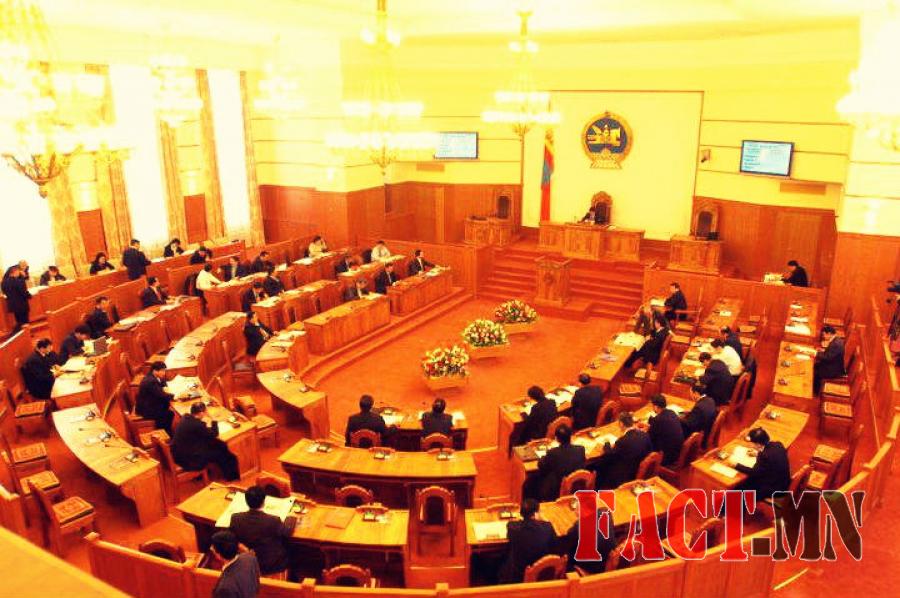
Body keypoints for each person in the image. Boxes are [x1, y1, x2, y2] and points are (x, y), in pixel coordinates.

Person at [229, 486, 296, 577]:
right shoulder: (273, 520)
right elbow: (287, 532)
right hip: (270, 565)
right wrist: (291, 518)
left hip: (247, 561)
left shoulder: (235, 518)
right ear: (264, 501)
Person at [172, 401, 240, 480]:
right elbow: (214, 434)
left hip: (179, 454)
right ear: (201, 413)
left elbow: (203, 431)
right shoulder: (197, 425)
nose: (206, 414)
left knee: (217, 444)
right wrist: (213, 419)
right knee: (221, 449)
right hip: (190, 460)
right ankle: (231, 476)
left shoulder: (186, 417)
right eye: (205, 412)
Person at [499, 498, 556, 584]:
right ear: (536, 513)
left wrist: (519, 520)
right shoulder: (547, 527)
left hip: (518, 574)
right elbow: (554, 545)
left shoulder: (513, 527)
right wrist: (542, 520)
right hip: (542, 573)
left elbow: (510, 525)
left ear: (521, 513)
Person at [592, 412, 652, 489]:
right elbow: (649, 451)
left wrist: (607, 443)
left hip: (623, 475)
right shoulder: (645, 435)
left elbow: (609, 455)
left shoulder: (623, 441)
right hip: (637, 468)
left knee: (599, 463)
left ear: (621, 424)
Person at [529, 424, 586, 502]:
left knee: (534, 480)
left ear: (557, 439)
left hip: (557, 489)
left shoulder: (553, 453)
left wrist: (543, 457)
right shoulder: (581, 449)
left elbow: (541, 465)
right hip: (576, 486)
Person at [734, 427, 791, 502]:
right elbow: (771, 457)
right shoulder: (777, 444)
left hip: (774, 489)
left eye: (751, 443)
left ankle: (737, 504)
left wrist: (736, 465)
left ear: (758, 444)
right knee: (745, 483)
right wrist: (757, 453)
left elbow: (754, 472)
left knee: (740, 486)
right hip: (784, 483)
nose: (750, 445)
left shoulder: (764, 456)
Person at [558, 509, 618, 575]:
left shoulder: (577, 528)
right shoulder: (606, 514)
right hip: (608, 563)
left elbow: (569, 554)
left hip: (588, 570)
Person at [210, 530, 260, 598]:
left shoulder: (224, 588)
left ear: (218, 555)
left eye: (213, 547)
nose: (211, 548)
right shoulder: (250, 558)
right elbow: (256, 585)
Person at [643, 395, 684, 466]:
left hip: (667, 456)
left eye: (652, 406)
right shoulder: (672, 412)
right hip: (677, 451)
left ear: (656, 407)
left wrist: (643, 431)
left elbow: (649, 438)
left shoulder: (658, 420)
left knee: (643, 445)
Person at [136, 362, 175, 434]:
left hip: (149, 403)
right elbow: (162, 395)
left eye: (164, 370)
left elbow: (163, 383)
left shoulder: (152, 376)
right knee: (169, 414)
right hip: (147, 410)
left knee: (168, 409)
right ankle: (165, 432)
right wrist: (176, 396)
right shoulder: (151, 382)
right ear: (155, 371)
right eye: (162, 371)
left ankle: (166, 430)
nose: (164, 373)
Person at [814, 325, 846, 393]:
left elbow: (827, 357)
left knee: (816, 372)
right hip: (832, 364)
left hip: (833, 370)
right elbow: (831, 354)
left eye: (824, 335)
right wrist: (822, 351)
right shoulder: (836, 340)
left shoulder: (836, 344)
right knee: (815, 365)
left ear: (829, 334)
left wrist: (815, 353)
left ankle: (815, 392)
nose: (823, 337)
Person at [2, 264, 31, 333]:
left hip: (13, 305)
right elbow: (23, 291)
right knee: (25, 321)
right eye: (18, 271)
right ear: (14, 272)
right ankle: (27, 334)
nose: (19, 273)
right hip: (22, 304)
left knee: (19, 321)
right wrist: (29, 296)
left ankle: (21, 335)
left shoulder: (3, 282)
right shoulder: (18, 281)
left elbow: (4, 292)